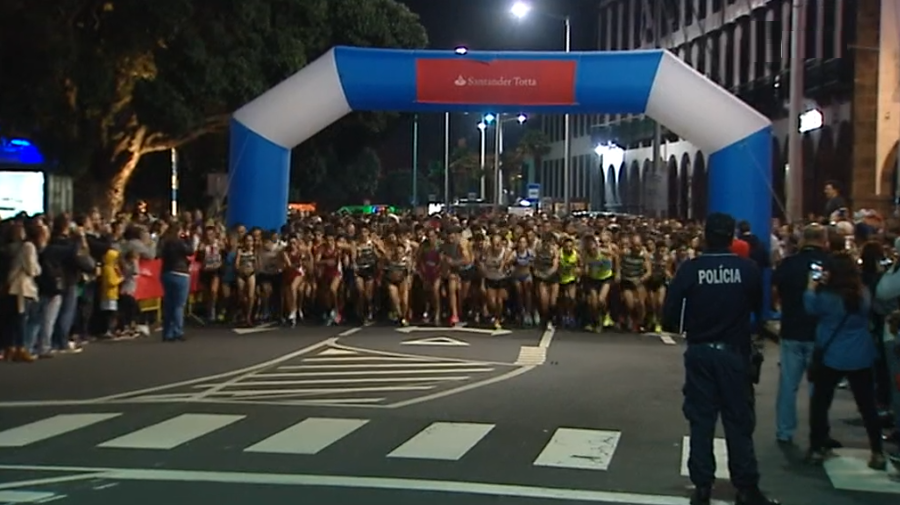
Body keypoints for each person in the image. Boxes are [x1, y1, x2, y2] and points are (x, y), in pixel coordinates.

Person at [662, 212, 777, 505]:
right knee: (738, 421)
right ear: (731, 237)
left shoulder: (691, 269)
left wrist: (686, 325)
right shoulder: (748, 269)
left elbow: (670, 312)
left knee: (701, 422)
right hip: (733, 352)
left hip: (700, 351)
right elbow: (758, 308)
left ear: (706, 235)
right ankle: (746, 487)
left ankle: (702, 486)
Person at [803, 252, 885, 469]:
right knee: (867, 405)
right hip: (860, 353)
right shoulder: (863, 294)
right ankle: (877, 451)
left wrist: (811, 286)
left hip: (831, 354)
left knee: (820, 403)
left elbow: (810, 308)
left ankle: (817, 447)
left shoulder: (826, 297)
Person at [771, 224, 829, 446]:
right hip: (820, 331)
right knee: (819, 388)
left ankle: (784, 430)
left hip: (791, 328)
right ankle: (818, 433)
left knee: (788, 385)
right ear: (823, 239)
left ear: (802, 239)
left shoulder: (789, 263)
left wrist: (781, 307)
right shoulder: (829, 264)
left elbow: (775, 289)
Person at [159, 221, 194, 342]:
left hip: (166, 273)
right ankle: (178, 331)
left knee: (169, 304)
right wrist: (187, 238)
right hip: (180, 273)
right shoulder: (179, 242)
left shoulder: (164, 242)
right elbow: (190, 251)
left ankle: (167, 332)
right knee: (179, 305)